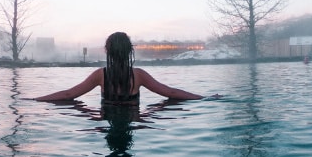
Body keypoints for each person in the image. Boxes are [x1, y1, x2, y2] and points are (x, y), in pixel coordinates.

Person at [34, 32, 206, 104]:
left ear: (107, 51)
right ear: (130, 51)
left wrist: (36, 99)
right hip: (132, 119)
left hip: (107, 119)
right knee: (164, 105)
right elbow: (171, 93)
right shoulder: (138, 75)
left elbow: (68, 95)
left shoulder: (100, 75)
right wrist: (203, 98)